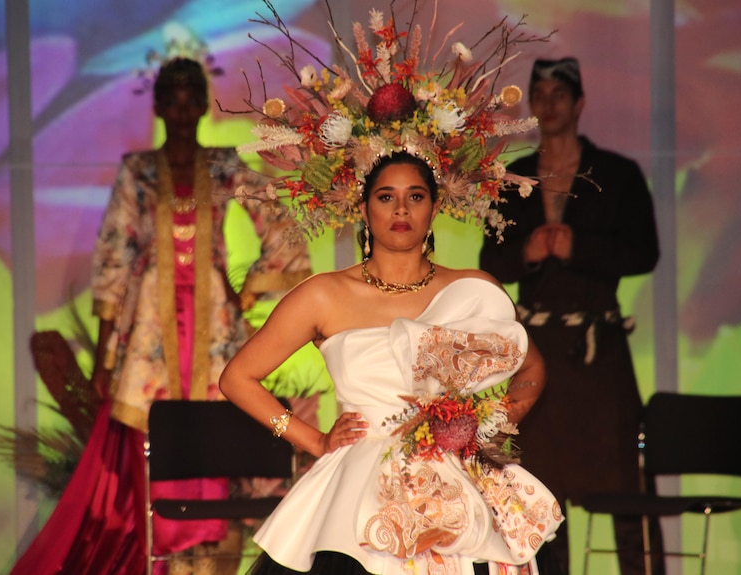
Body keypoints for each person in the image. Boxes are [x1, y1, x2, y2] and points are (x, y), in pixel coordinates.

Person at [10, 57, 310, 575]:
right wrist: (105, 356)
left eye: (192, 95)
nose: (182, 106)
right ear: (157, 105)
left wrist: (249, 295)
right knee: (154, 427)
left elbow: (280, 221)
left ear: (202, 102)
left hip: (212, 321)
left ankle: (205, 552)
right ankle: (160, 551)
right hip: (151, 320)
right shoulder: (139, 170)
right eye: (171, 97)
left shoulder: (223, 164)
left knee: (214, 421)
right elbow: (113, 259)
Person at [220, 151, 563, 575]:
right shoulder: (324, 295)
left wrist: (490, 422)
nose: (401, 209)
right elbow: (237, 378)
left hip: (458, 483)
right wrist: (313, 441)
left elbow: (531, 368)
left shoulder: (472, 290)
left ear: (435, 207)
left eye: (415, 196)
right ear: (364, 209)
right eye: (386, 197)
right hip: (356, 484)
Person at [479, 57, 664, 575]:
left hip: (598, 348)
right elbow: (489, 263)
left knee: (624, 483)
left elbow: (644, 253)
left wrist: (579, 247)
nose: (548, 103)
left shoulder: (618, 174)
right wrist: (528, 252)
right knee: (540, 484)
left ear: (579, 103)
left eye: (559, 94)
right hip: (537, 354)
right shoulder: (514, 176)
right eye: (539, 93)